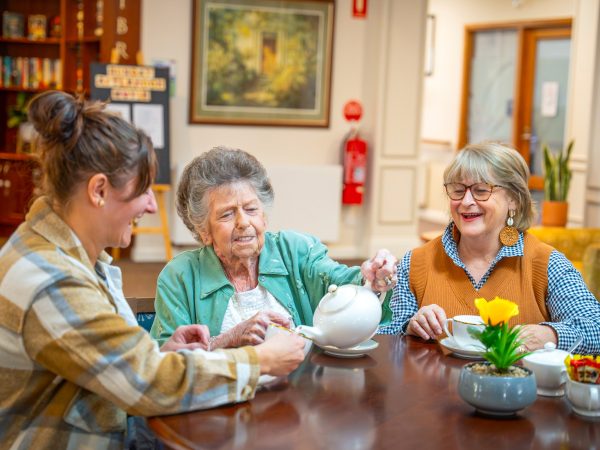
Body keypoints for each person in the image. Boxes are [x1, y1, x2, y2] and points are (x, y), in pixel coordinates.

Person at [0, 91, 306, 449]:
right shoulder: (51, 280)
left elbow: (114, 365)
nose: (149, 205)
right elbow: (146, 382)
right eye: (143, 189)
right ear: (98, 190)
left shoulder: (68, 255)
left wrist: (160, 356)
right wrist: (261, 361)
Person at [150, 147, 398, 349]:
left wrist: (372, 280)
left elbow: (342, 284)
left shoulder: (296, 251)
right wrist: (228, 340)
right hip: (221, 400)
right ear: (203, 231)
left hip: (299, 395)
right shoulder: (180, 277)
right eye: (227, 214)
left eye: (251, 209)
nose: (243, 222)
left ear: (264, 218)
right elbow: (165, 362)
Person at [378, 142, 600, 354]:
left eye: (481, 190)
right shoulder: (416, 262)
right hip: (433, 391)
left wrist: (550, 334)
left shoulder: (547, 264)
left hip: (517, 393)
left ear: (514, 199)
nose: (466, 201)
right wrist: (409, 327)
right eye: (457, 190)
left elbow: (595, 329)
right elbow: (386, 342)